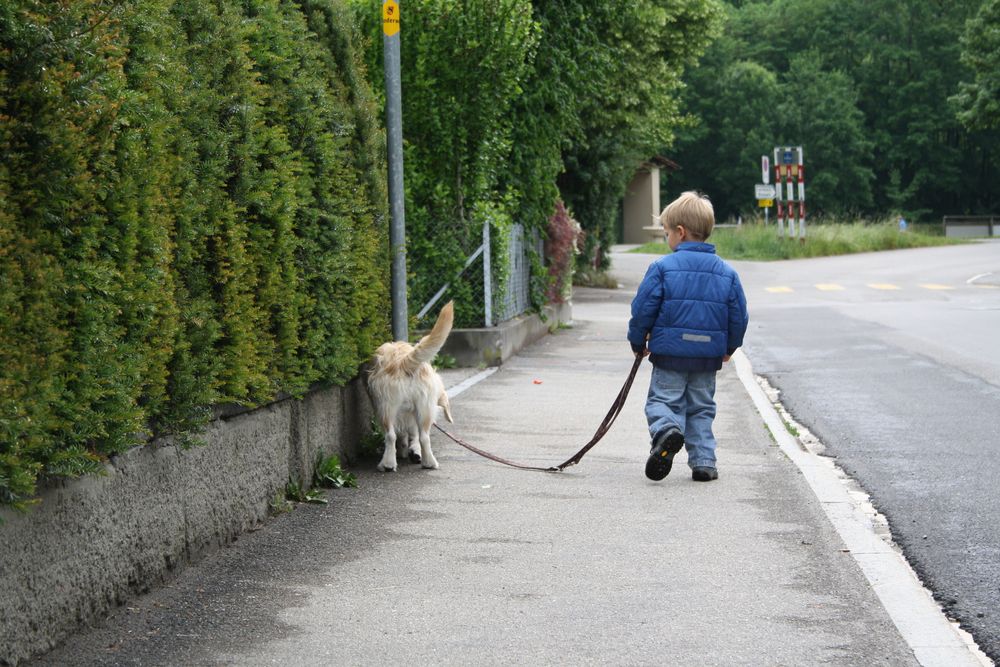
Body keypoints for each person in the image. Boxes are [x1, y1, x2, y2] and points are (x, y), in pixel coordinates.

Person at [627, 191, 749, 482]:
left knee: (662, 402)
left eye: (667, 232)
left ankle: (667, 430)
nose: (666, 238)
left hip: (670, 354)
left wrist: (637, 340)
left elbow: (643, 308)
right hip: (707, 357)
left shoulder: (661, 268)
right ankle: (704, 463)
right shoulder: (727, 273)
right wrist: (730, 346)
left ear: (679, 233)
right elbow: (738, 315)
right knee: (702, 409)